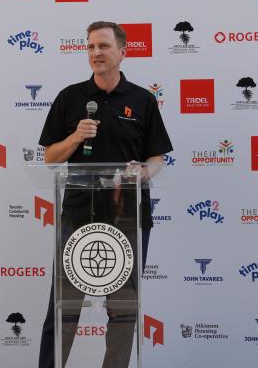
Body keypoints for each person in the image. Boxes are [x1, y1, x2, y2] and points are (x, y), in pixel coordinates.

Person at [38, 21, 172, 368]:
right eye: (90, 47)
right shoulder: (71, 97)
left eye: (103, 46)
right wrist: (74, 137)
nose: (95, 53)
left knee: (123, 310)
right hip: (78, 216)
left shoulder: (142, 99)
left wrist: (142, 172)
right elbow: (50, 157)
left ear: (122, 52)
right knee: (63, 309)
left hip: (128, 215)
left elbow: (156, 158)